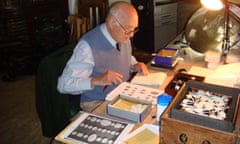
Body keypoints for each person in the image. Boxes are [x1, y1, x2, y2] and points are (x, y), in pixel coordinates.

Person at [57, 1, 149, 112]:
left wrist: (134, 65)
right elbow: (63, 85)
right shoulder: (87, 46)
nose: (131, 35)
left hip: (121, 93)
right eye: (128, 29)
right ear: (111, 22)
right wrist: (96, 80)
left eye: (134, 29)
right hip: (97, 102)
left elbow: (124, 57)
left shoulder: (123, 36)